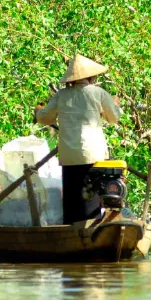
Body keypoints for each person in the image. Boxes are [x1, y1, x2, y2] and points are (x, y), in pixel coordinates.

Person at [35, 55, 120, 225]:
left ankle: (71, 230)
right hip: (93, 155)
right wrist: (115, 105)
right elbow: (113, 118)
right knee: (92, 195)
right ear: (91, 77)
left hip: (70, 155)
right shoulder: (98, 93)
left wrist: (38, 111)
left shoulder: (62, 95)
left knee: (72, 198)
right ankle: (90, 230)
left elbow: (45, 118)